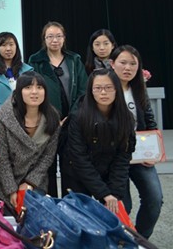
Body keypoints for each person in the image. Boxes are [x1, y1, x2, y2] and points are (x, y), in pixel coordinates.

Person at [62, 68, 136, 215]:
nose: (103, 92)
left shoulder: (126, 118)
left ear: (117, 89)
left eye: (108, 88)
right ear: (90, 91)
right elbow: (79, 159)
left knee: (121, 209)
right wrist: (103, 193)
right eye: (98, 88)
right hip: (77, 173)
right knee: (78, 214)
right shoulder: (78, 117)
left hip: (109, 171)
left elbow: (123, 158)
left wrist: (114, 193)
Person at [28, 21, 87, 196]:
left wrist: (71, 117)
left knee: (71, 169)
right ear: (44, 39)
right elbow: (33, 91)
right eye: (50, 36)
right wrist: (51, 117)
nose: (55, 40)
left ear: (64, 38)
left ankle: (70, 207)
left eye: (58, 36)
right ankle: (51, 207)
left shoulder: (74, 60)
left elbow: (83, 91)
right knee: (48, 168)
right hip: (46, 122)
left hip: (72, 122)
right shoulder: (36, 60)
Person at [0, 71, 60, 209]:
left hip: (35, 182)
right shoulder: (3, 117)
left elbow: (47, 157)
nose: (34, 92)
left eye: (39, 87)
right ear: (19, 91)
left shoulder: (52, 117)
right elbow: (1, 159)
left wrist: (30, 183)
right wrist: (11, 190)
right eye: (28, 87)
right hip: (4, 183)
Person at [111, 45, 162, 238]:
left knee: (154, 199)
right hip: (114, 157)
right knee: (123, 205)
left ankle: (141, 239)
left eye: (133, 64)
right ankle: (120, 241)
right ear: (112, 64)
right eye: (123, 62)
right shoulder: (104, 88)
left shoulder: (139, 89)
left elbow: (150, 122)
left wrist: (154, 152)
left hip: (140, 154)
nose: (128, 68)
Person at [0, 32, 33, 110]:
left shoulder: (27, 69)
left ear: (16, 47)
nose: (8, 49)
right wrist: (2, 112)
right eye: (4, 45)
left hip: (23, 113)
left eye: (11, 44)